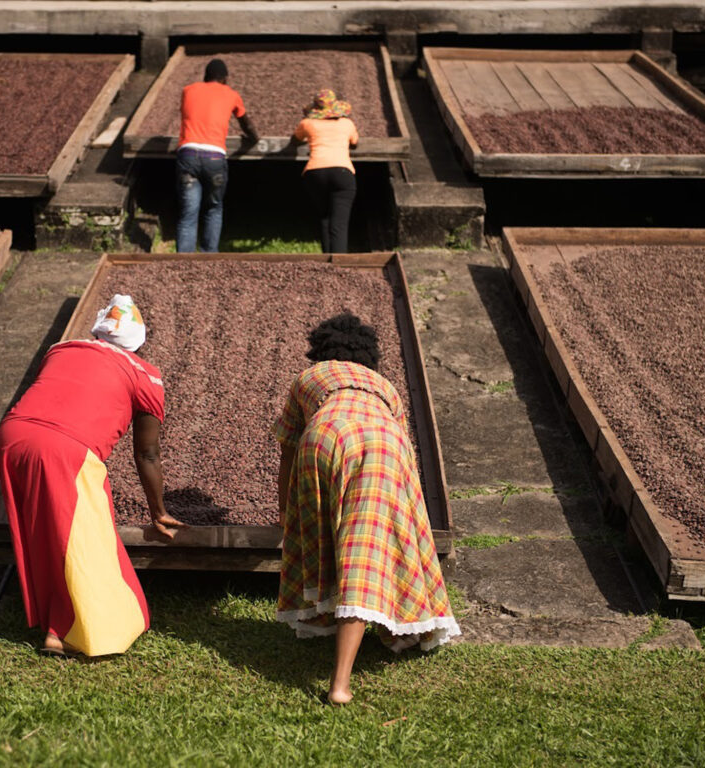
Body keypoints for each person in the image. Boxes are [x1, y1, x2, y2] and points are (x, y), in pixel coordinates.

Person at [273, 312, 461, 704]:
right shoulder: (384, 387)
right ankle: (341, 683)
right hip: (385, 445)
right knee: (368, 551)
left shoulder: (309, 378)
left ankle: (351, 645)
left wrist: (287, 510)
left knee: (330, 537)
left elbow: (288, 449)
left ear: (321, 351)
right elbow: (405, 447)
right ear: (368, 356)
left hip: (324, 436)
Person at [0, 294, 186, 658]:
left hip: (13, 436)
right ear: (140, 341)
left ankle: (51, 617)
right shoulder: (147, 376)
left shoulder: (61, 348)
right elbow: (147, 453)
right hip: (67, 448)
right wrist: (158, 510)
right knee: (85, 543)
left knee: (46, 532)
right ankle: (63, 632)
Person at [176, 58, 258, 253]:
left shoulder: (188, 90)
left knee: (188, 213)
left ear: (206, 76)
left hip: (188, 155)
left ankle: (182, 262)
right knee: (213, 208)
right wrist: (254, 138)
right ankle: (208, 258)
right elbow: (245, 122)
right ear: (225, 78)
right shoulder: (231, 94)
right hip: (214, 157)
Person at [292, 89, 359, 253]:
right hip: (342, 172)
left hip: (315, 172)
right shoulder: (346, 123)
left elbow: (296, 139)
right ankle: (339, 265)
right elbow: (355, 142)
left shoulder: (308, 123)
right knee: (339, 223)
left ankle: (327, 261)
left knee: (325, 217)